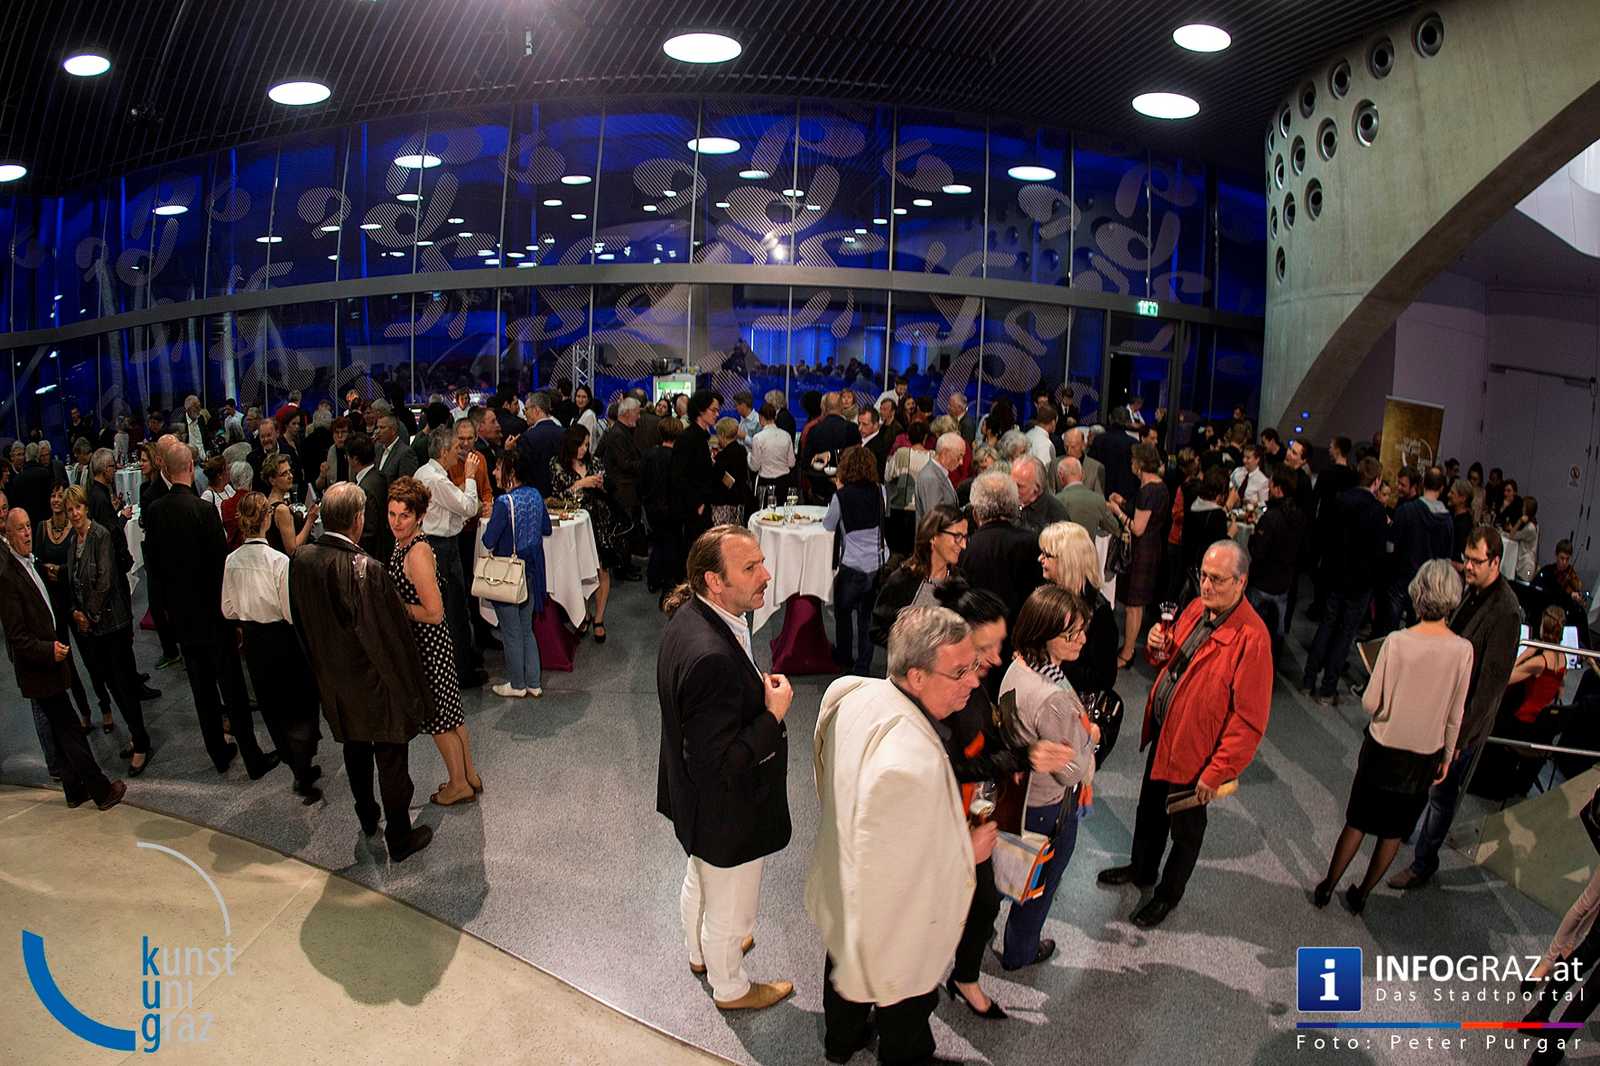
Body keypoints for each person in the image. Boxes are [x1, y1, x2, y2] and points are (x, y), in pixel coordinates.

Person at [809, 607, 989, 1064]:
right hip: (891, 913)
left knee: (843, 965)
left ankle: (841, 1041)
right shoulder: (912, 760)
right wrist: (966, 850)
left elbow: (824, 764)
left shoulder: (849, 690)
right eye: (960, 671)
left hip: (841, 876)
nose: (974, 681)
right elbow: (897, 870)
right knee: (907, 1002)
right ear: (917, 676)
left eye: (975, 665)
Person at [656, 525, 795, 1011]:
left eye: (761, 562)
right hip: (725, 809)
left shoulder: (690, 616)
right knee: (730, 907)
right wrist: (773, 713)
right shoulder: (710, 654)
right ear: (714, 580)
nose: (766, 575)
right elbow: (723, 763)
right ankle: (730, 985)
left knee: (700, 878)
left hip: (692, 800)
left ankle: (699, 954)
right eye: (751, 568)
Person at [1098, 540, 1272, 928]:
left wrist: (1217, 772)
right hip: (1166, 733)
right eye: (1203, 576)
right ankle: (1142, 870)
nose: (1206, 586)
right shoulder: (1197, 607)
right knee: (1149, 811)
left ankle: (1167, 895)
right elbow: (1169, 661)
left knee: (1186, 830)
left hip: (1198, 753)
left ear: (1241, 583)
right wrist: (1159, 648)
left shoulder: (1252, 639)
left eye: (1217, 579)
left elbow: (1248, 721)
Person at [1314, 560, 1471, 914]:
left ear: (1418, 593)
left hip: (1383, 749)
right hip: (1424, 757)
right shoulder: (1464, 651)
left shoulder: (1397, 642)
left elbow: (1370, 703)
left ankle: (1327, 886)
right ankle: (1362, 895)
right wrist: (1447, 756)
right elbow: (1455, 713)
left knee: (1357, 821)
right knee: (1393, 832)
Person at [289, 483, 434, 861]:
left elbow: (302, 624)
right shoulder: (366, 570)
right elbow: (388, 639)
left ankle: (368, 817)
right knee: (390, 758)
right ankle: (399, 836)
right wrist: (411, 690)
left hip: (334, 680)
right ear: (358, 519)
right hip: (375, 682)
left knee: (355, 750)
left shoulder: (301, 558)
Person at [1387, 527, 1522, 890]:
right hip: (1441, 709)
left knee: (1443, 797)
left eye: (1476, 561)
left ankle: (1422, 864)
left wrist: (1459, 738)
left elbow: (1490, 687)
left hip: (1463, 724)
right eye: (1466, 558)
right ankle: (1408, 833)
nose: (1467, 567)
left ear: (1496, 561)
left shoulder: (1507, 612)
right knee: (1425, 778)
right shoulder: (1472, 591)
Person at [144, 441, 279, 778]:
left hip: (183, 619)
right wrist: (232, 619)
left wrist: (167, 617)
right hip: (213, 617)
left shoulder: (155, 511)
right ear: (190, 467)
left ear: (164, 470)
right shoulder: (203, 511)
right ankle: (252, 758)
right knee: (231, 689)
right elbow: (221, 569)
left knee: (202, 692)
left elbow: (155, 570)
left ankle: (218, 754)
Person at [997, 586, 1097, 968]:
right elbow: (1073, 769)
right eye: (1072, 634)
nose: (1082, 640)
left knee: (1007, 875)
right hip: (1048, 806)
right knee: (1037, 888)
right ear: (1044, 633)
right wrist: (1089, 744)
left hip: (1018, 795)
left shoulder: (1019, 665)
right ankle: (1020, 954)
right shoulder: (1052, 697)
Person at [0, 508, 126, 810]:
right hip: (39, 667)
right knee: (70, 730)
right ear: (8, 534)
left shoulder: (28, 564)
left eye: (29, 526)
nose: (28, 533)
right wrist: (48, 650)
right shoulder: (7, 576)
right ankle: (101, 790)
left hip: (48, 661)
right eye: (20, 529)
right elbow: (17, 637)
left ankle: (74, 790)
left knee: (60, 729)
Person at [222, 492, 324, 804]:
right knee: (299, 702)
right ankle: (303, 766)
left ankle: (294, 762)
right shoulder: (279, 562)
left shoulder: (232, 560)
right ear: (267, 519)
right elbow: (289, 612)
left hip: (253, 642)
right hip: (282, 638)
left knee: (271, 705)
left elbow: (227, 609)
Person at [386, 476, 481, 806]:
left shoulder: (417, 553)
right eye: (392, 514)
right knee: (452, 716)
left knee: (440, 721)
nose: (397, 522)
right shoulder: (406, 544)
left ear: (420, 516)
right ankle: (468, 774)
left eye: (404, 516)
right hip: (431, 646)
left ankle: (458, 784)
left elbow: (434, 612)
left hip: (427, 648)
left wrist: (396, 606)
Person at [62, 485, 154, 769]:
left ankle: (141, 742)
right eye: (70, 510)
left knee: (124, 683)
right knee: (112, 685)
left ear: (86, 507)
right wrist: (76, 612)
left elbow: (104, 581)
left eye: (78, 507)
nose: (75, 513)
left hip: (112, 623)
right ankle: (136, 736)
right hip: (92, 628)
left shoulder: (99, 534)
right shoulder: (73, 541)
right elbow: (73, 582)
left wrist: (87, 614)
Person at [415, 425, 486, 686]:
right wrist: (469, 476)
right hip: (442, 548)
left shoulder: (425, 473)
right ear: (444, 451)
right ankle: (461, 673)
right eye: (457, 448)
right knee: (454, 610)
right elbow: (467, 507)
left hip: (437, 543)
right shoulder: (436, 479)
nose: (461, 452)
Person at [482, 449, 551, 698]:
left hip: (507, 576)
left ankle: (517, 684)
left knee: (511, 632)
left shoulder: (504, 503)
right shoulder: (535, 495)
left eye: (498, 467)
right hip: (531, 572)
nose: (494, 472)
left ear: (510, 471)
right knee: (526, 629)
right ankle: (533, 682)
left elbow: (489, 540)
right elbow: (546, 528)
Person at [550, 425, 623, 642]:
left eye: (587, 444)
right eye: (581, 444)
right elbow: (556, 496)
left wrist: (601, 485)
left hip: (599, 522)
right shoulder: (556, 464)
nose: (584, 449)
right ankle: (582, 614)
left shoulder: (595, 462)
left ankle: (599, 618)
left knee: (602, 570)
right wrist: (582, 483)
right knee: (578, 570)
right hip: (573, 525)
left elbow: (610, 486)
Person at [34, 484, 97, 731]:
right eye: (53, 494)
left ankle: (104, 706)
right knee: (67, 662)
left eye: (60, 495)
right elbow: (38, 561)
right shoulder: (42, 528)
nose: (56, 500)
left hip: (76, 601)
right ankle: (84, 711)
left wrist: (59, 571)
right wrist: (47, 569)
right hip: (55, 605)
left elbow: (77, 565)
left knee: (90, 657)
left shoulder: (75, 529)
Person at [1039, 521, 1119, 703]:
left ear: (1067, 561)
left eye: (1047, 554)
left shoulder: (1099, 613)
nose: (1040, 559)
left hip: (1074, 706)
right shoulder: (1048, 593)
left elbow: (1104, 678)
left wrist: (1053, 661)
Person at [823, 446, 887, 675]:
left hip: (852, 564)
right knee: (866, 618)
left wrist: (839, 490)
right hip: (877, 563)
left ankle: (844, 657)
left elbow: (828, 525)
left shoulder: (841, 496)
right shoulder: (881, 491)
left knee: (842, 613)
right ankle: (864, 666)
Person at [1108, 442, 1171, 668]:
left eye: (1134, 461)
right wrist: (1124, 502)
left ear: (1141, 464)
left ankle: (1127, 653)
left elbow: (1137, 528)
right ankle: (1128, 648)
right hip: (1151, 547)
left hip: (1142, 551)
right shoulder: (1159, 487)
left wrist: (1116, 511)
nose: (1131, 464)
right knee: (1135, 604)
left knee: (1134, 605)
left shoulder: (1148, 490)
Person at [872, 504, 966, 646]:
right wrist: (911, 652)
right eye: (957, 536)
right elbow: (877, 630)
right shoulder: (903, 580)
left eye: (965, 537)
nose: (964, 545)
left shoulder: (961, 582)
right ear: (933, 537)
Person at [961, 469, 1045, 627]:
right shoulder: (1032, 542)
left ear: (975, 512)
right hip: (1022, 634)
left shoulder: (966, 548)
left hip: (978, 636)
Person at [1246, 470, 1306, 641]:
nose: (1268, 489)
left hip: (1262, 585)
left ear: (1278, 489)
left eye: (1270, 485)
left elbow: (1258, 552)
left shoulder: (1271, 518)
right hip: (1283, 584)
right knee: (1275, 635)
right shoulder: (1299, 516)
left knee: (1252, 632)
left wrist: (1252, 539)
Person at [672, 390, 721, 544]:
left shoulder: (701, 436)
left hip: (703, 504)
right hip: (692, 509)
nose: (717, 414)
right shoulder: (688, 438)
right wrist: (696, 504)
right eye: (713, 410)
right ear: (700, 410)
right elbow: (678, 475)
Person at [1507, 606, 1569, 727]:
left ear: (1543, 627)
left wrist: (1525, 654)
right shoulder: (1563, 657)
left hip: (1523, 720)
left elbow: (1506, 679)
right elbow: (1560, 690)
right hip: (1541, 719)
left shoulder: (1539, 662)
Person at [262, 453, 319, 557]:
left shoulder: (269, 502)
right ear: (272, 480)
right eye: (284, 474)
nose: (290, 476)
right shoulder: (281, 510)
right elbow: (292, 549)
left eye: (290, 471)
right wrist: (310, 521)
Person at [1055, 456, 1121, 538]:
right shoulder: (1097, 500)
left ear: (1060, 476)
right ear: (1082, 474)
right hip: (1089, 549)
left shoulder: (1056, 501)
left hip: (1064, 550)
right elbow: (1114, 527)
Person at [515, 392, 565, 497]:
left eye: (526, 410)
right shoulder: (564, 433)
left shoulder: (528, 437)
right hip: (561, 493)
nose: (525, 414)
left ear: (536, 410)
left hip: (535, 495)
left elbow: (522, 470)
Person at [709, 417, 755, 525]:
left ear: (723, 434)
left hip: (726, 503)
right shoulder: (742, 450)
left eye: (718, 434)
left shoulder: (723, 456)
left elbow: (724, 480)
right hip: (742, 499)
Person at [749, 402, 797, 504]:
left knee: (766, 516)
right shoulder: (786, 435)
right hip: (785, 482)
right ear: (775, 417)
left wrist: (749, 456)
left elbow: (754, 467)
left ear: (761, 418)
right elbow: (791, 463)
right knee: (784, 514)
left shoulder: (758, 438)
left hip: (766, 483)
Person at [1012, 455, 1069, 534]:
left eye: (1020, 486)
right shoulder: (1009, 506)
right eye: (1012, 483)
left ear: (1037, 489)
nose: (1013, 489)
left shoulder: (1055, 514)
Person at [1506, 495, 1540, 582]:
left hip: (1527, 567)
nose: (1522, 508)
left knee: (1523, 584)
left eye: (1524, 506)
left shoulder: (1530, 528)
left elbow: (1511, 536)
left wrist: (1520, 521)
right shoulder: (1533, 525)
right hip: (1525, 563)